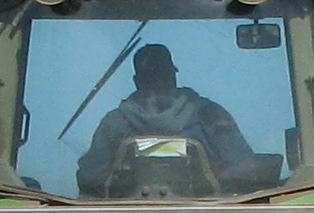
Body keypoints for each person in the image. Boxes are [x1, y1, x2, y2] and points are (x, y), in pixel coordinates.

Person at [78, 41, 260, 196]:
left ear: (137, 81)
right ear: (172, 75)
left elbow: (91, 179)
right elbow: (244, 169)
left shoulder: (113, 123)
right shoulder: (211, 115)